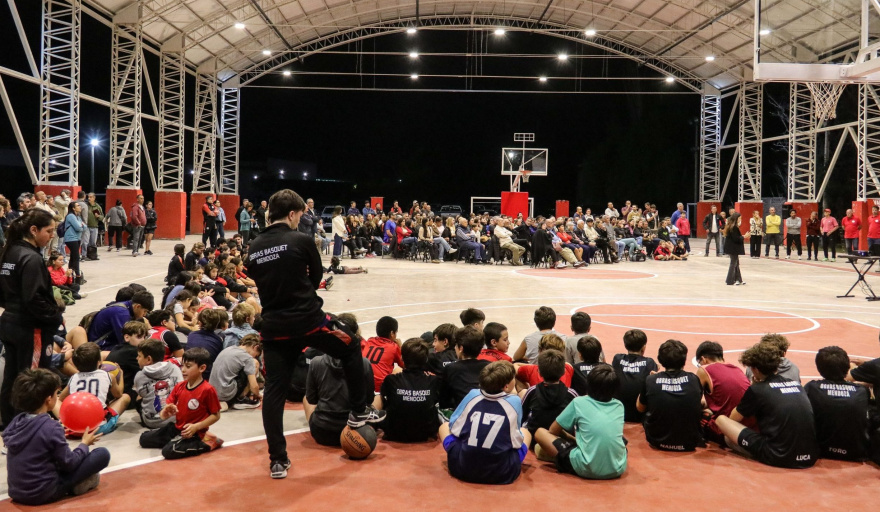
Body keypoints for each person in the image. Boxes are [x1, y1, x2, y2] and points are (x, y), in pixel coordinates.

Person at [245, 189, 384, 479]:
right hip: (308, 321)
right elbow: (317, 277)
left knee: (274, 393)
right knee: (351, 345)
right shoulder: (300, 239)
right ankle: (359, 409)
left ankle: (278, 460)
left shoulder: (254, 247)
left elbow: (261, 280)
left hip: (274, 328)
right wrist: (301, 294)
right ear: (293, 214)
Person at [3, 369, 110, 505]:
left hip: (17, 492)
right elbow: (69, 464)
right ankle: (74, 486)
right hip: (43, 492)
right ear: (48, 399)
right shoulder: (51, 427)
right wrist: (84, 444)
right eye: (56, 394)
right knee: (102, 454)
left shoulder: (16, 422)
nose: (57, 396)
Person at [0, 209, 63, 428]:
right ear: (34, 230)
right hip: (29, 327)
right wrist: (55, 317)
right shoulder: (32, 258)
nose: (52, 236)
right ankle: (26, 429)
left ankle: (10, 424)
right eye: (49, 231)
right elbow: (34, 299)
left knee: (13, 377)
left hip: (9, 322)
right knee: (33, 380)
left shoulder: (10, 252)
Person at [714, 343, 819, 468]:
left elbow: (733, 419)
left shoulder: (757, 390)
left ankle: (758, 454)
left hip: (779, 456)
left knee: (722, 423)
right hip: (810, 456)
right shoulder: (795, 384)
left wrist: (754, 388)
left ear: (755, 369)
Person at [439, 360, 531, 485]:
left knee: (444, 427)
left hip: (462, 469)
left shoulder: (473, 395)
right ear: (506, 386)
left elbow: (454, 426)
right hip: (503, 473)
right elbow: (516, 441)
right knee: (526, 433)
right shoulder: (514, 401)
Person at [533, 365, 627, 480]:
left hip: (585, 468)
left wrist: (571, 439)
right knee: (621, 439)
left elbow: (553, 430)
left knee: (540, 432)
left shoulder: (579, 402)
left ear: (589, 384)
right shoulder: (619, 405)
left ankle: (563, 457)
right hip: (618, 468)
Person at [139, 348, 223, 459]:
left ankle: (207, 442)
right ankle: (176, 439)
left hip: (193, 432)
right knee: (144, 439)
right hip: (177, 427)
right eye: (182, 366)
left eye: (188, 367)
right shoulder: (180, 386)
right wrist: (164, 413)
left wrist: (197, 426)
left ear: (202, 368)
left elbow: (216, 415)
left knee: (169, 451)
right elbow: (167, 409)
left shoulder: (207, 390)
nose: (183, 370)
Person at [303, 339, 374, 446]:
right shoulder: (364, 363)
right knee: (377, 399)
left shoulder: (316, 362)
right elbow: (369, 399)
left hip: (322, 432)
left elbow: (311, 399)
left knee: (305, 398)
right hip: (357, 431)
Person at [636, 339, 703, 451]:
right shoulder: (693, 379)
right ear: (684, 360)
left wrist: (650, 383)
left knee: (649, 404)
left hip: (657, 440)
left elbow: (640, 408)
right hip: (690, 442)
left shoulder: (651, 380)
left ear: (660, 360)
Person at [805, 346, 869, 461]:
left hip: (820, 449)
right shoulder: (861, 391)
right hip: (855, 452)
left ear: (819, 368)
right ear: (847, 367)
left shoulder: (812, 388)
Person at [378, 338, 442, 442]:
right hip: (425, 433)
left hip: (394, 432)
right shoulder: (433, 380)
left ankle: (370, 422)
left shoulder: (391, 379)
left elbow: (386, 399)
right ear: (426, 360)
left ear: (402, 358)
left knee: (378, 396)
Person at [693, 341, 750, 444]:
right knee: (707, 408)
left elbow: (691, 400)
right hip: (747, 426)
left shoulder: (704, 369)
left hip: (726, 428)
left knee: (696, 414)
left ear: (703, 359)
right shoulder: (737, 369)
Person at [521, 349, 578, 437]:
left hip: (534, 438)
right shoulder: (572, 394)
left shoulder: (532, 391)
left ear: (539, 371)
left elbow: (521, 415)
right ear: (563, 371)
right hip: (561, 439)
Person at [134, 339, 184, 429]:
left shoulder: (140, 375)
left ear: (148, 359)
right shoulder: (175, 368)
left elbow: (142, 394)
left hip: (152, 422)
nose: (137, 358)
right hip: (177, 417)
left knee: (138, 398)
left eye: (139, 356)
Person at [611, 329, 657, 422]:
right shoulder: (649, 362)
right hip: (640, 414)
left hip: (619, 412)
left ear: (625, 345)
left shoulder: (617, 359)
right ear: (644, 348)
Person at [439, 326, 491, 409]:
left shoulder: (451, 368)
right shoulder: (489, 366)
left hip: (464, 413)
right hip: (488, 410)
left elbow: (444, 401)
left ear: (460, 348)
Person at [210, 334, 262, 409]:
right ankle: (240, 399)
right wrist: (257, 394)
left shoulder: (228, 349)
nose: (254, 356)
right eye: (256, 355)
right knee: (255, 363)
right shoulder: (247, 358)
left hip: (213, 392)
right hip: (226, 393)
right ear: (255, 347)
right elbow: (254, 386)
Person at [104, 321, 150, 404]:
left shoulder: (117, 347)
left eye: (145, 337)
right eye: (139, 337)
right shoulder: (133, 352)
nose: (143, 340)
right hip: (121, 395)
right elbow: (147, 371)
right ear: (127, 337)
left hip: (109, 394)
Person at [361, 316, 404, 393]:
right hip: (380, 388)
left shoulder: (370, 341)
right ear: (392, 333)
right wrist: (401, 347)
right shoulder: (394, 347)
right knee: (399, 370)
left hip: (363, 384)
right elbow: (406, 365)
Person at [186, 309, 229, 379]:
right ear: (217, 324)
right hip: (206, 376)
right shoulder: (218, 340)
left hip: (188, 372)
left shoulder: (191, 335)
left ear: (199, 323)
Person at [724, 212, 748, 286]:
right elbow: (736, 238)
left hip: (731, 247)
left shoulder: (731, 226)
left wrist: (743, 236)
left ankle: (739, 279)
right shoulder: (734, 227)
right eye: (739, 218)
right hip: (733, 248)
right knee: (733, 263)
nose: (740, 219)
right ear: (736, 218)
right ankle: (729, 280)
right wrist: (744, 236)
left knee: (736, 263)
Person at [63, 202, 85, 281]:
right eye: (78, 205)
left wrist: (81, 226)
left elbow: (84, 227)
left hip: (77, 238)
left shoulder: (78, 217)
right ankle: (78, 276)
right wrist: (81, 226)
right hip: (71, 239)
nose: (80, 206)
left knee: (73, 257)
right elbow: (78, 228)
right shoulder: (71, 216)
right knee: (76, 257)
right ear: (73, 208)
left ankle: (70, 275)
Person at [84, 193, 103, 258]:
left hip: (94, 227)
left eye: (91, 197)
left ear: (94, 198)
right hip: (86, 226)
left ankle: (93, 255)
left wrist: (98, 216)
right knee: (86, 242)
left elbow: (102, 217)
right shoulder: (86, 205)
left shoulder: (97, 206)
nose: (89, 198)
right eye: (88, 197)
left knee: (93, 242)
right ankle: (85, 255)